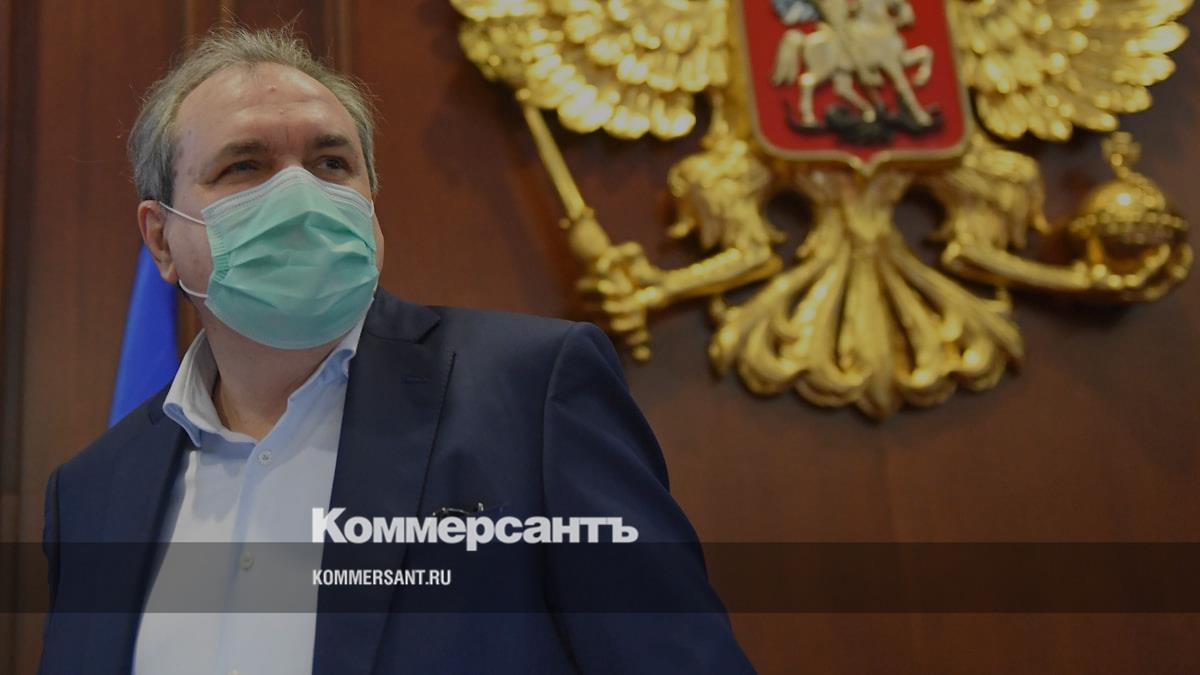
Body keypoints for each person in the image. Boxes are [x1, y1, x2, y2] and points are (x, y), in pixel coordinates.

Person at [36, 26, 754, 675]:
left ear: (372, 203)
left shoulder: (531, 395)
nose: (300, 196)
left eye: (331, 162)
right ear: (162, 239)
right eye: (245, 166)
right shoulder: (93, 491)